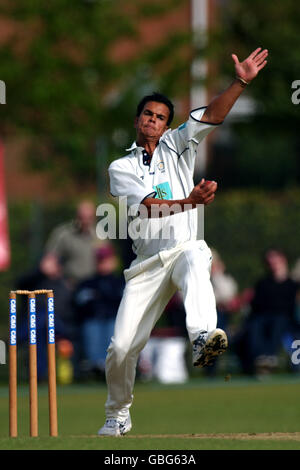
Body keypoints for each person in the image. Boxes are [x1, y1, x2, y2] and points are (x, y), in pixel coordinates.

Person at [98, 47, 268, 436]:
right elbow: (149, 208)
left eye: (160, 117)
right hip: (145, 267)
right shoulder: (120, 167)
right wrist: (190, 200)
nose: (153, 121)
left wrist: (240, 81)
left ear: (166, 125)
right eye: (147, 115)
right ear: (137, 120)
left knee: (195, 252)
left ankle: (203, 337)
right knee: (122, 349)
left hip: (181, 250)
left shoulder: (178, 144)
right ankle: (117, 414)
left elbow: (213, 115)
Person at [238, 249, 300, 376]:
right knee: (254, 326)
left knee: (278, 323)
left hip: (284, 319)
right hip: (262, 318)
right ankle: (260, 359)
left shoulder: (293, 284)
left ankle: (269, 356)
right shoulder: (262, 283)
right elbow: (255, 305)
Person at [72, 243, 124, 379]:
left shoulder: (120, 281)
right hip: (94, 319)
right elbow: (80, 303)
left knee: (114, 329)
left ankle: (113, 367)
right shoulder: (87, 283)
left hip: (114, 319)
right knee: (92, 328)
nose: (104, 264)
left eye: (107, 260)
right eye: (101, 260)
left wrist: (102, 296)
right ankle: (96, 367)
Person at [45, 200, 101, 289]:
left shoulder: (100, 237)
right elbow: (49, 261)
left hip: (93, 286)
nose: (85, 221)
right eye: (82, 217)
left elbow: (109, 262)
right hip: (69, 285)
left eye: (89, 218)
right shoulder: (63, 234)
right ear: (76, 216)